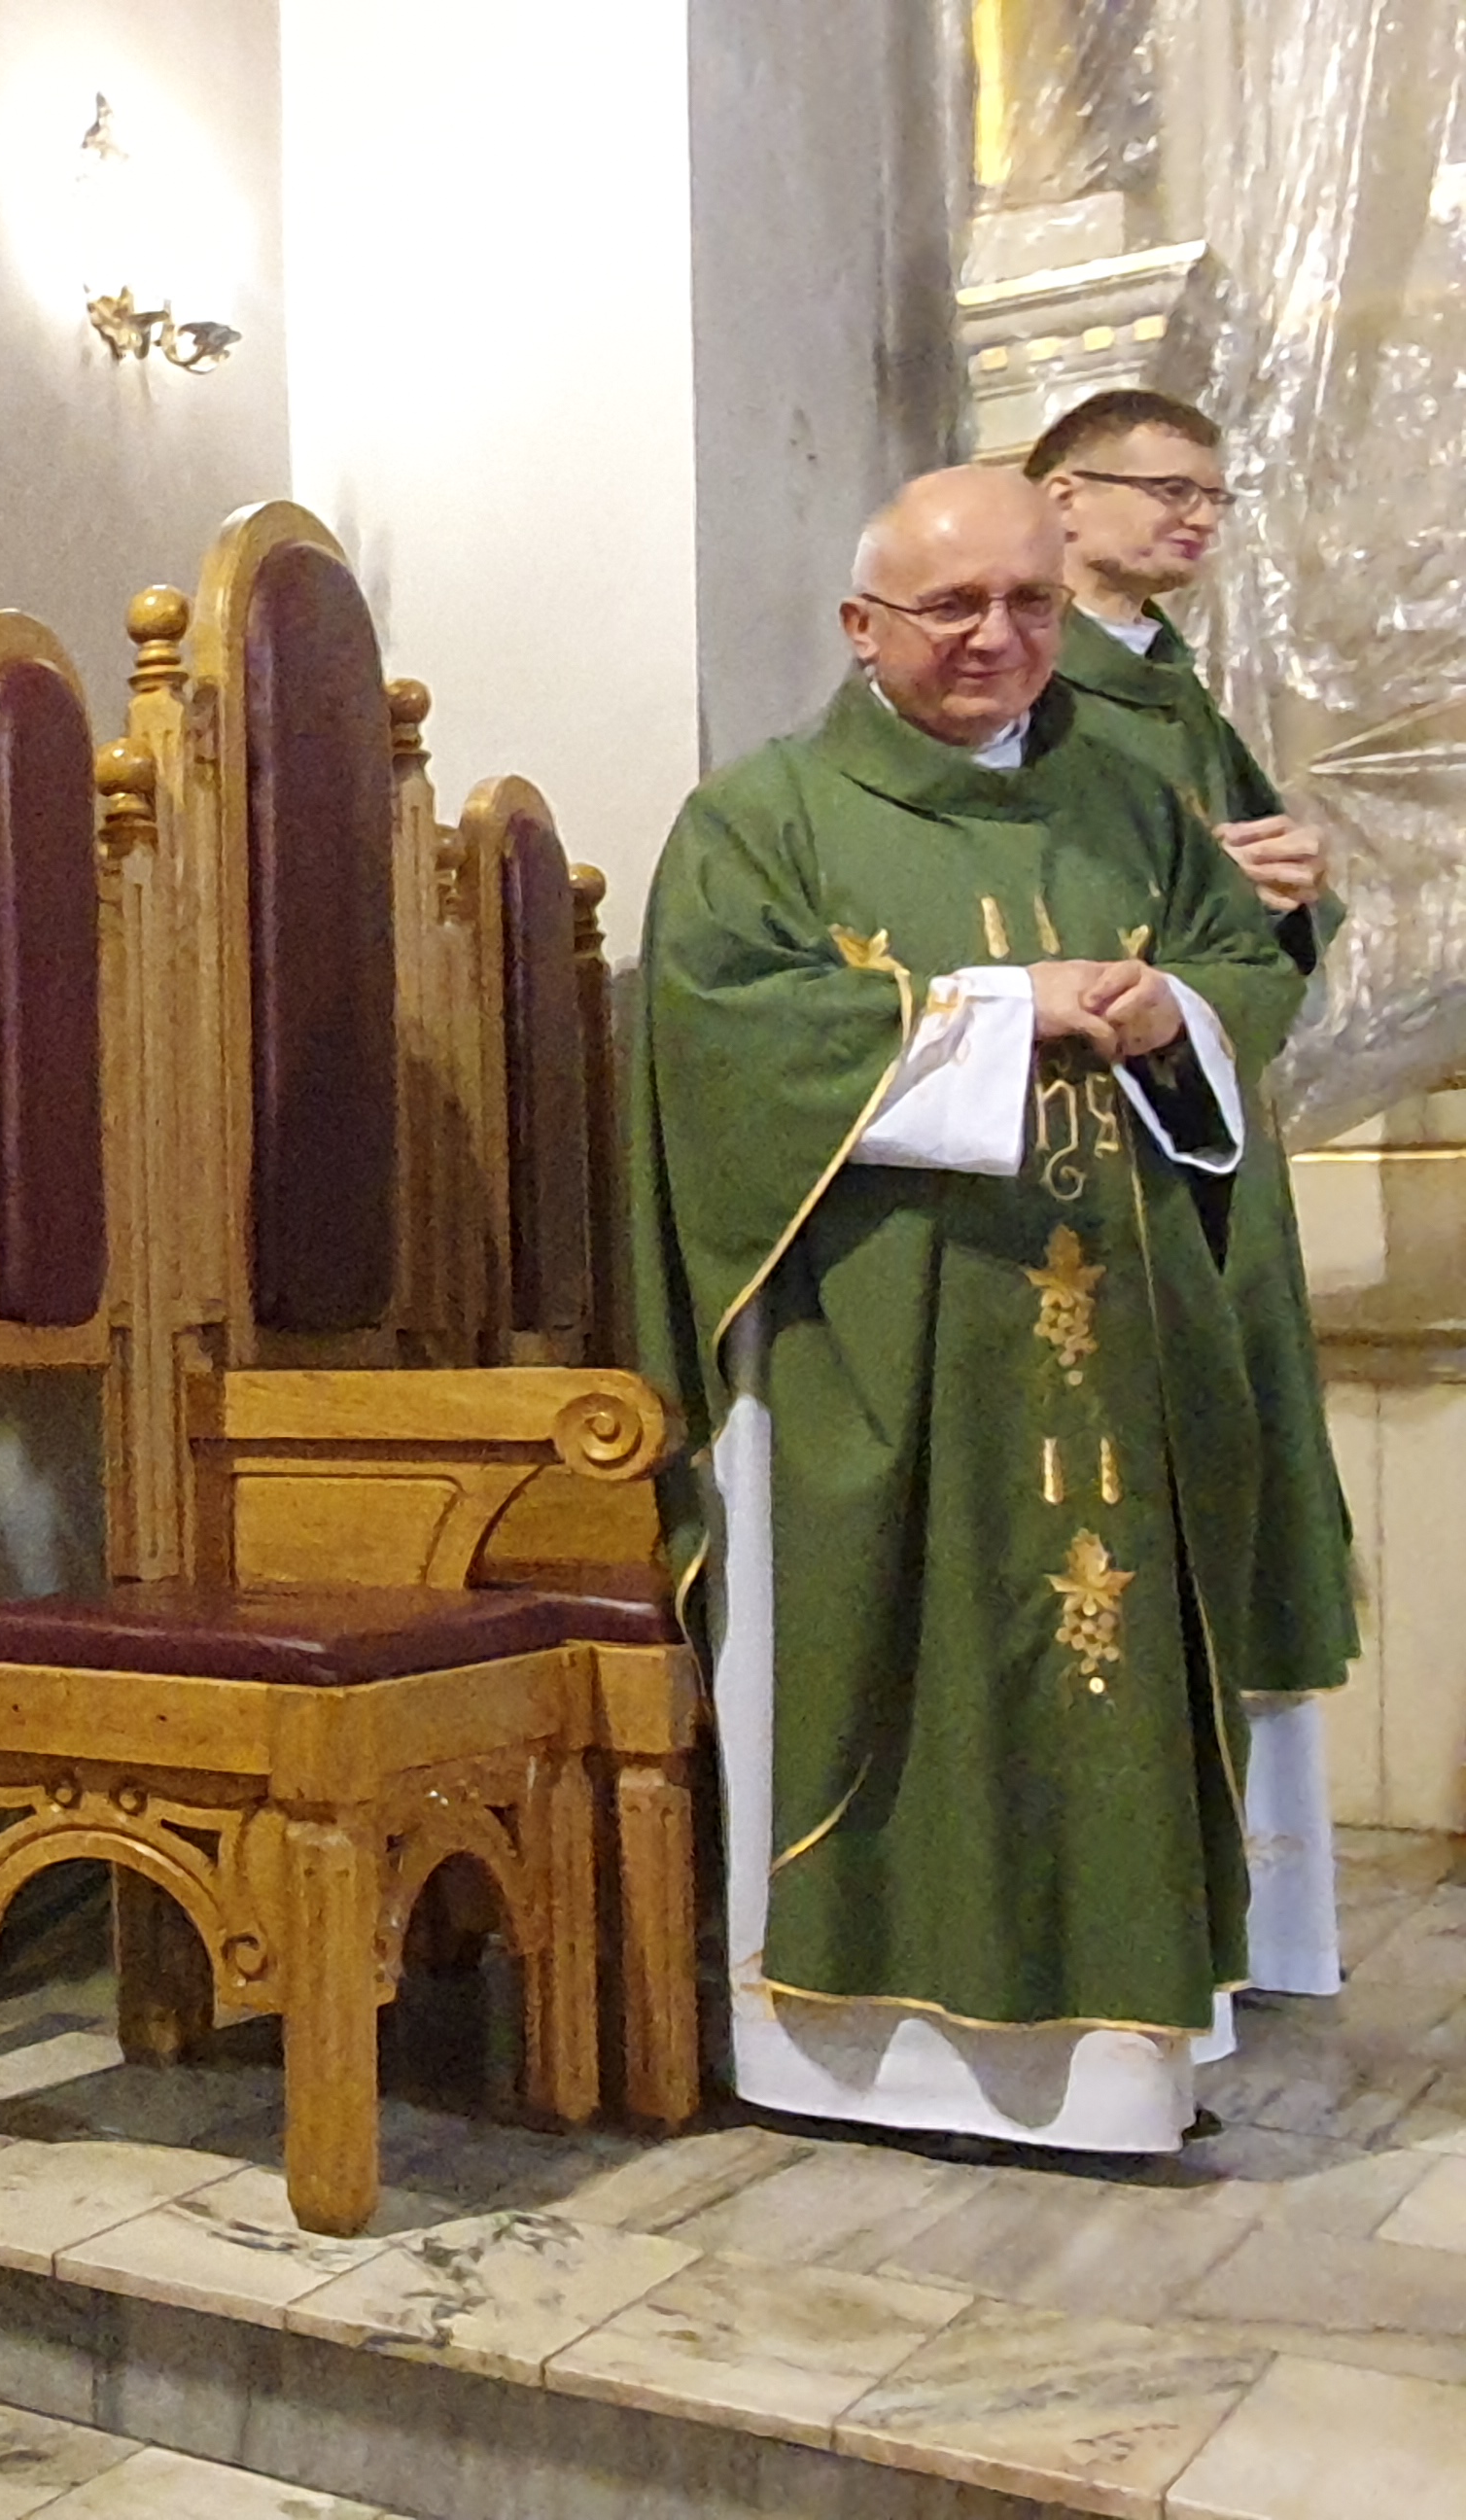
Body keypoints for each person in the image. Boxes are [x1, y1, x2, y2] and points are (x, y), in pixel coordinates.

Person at [630, 467, 1309, 2153]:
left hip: (1121, 1341)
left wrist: (1172, 1013)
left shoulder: (1137, 801)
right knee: (882, 1673)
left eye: (1029, 602)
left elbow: (1245, 968)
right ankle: (857, 2060)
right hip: (878, 1342)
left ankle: (1116, 2078)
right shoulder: (762, 817)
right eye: (951, 607)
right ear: (861, 627)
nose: (998, 637)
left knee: (1114, 1674)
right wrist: (1007, 1011)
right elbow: (725, 1040)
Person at [1030, 386, 1359, 1998]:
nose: (1196, 522)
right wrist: (1191, 906)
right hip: (1096, 1143)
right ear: (1062, 496)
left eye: (1214, 500)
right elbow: (1020, 897)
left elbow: (1240, 925)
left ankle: (1259, 1921)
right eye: (1166, 490)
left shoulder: (1171, 689)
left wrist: (1283, 896)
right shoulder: (1036, 688)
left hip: (1205, 1116)